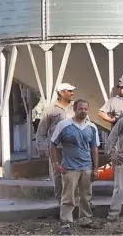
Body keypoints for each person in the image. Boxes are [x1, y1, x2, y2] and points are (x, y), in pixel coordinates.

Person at [49, 99, 102, 235]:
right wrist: (56, 164)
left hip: (86, 167)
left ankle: (86, 220)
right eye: (81, 109)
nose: (83, 111)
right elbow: (53, 144)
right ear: (74, 109)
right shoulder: (64, 125)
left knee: (86, 196)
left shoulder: (92, 127)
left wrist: (95, 168)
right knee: (68, 196)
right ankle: (65, 223)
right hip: (70, 168)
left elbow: (94, 148)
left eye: (85, 109)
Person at [35, 82, 76, 203]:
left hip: (74, 147)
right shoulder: (50, 110)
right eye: (70, 91)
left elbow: (86, 125)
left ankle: (74, 201)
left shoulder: (77, 107)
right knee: (58, 174)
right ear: (61, 93)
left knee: (75, 173)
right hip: (56, 148)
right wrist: (42, 147)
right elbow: (41, 131)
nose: (72, 93)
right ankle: (61, 202)